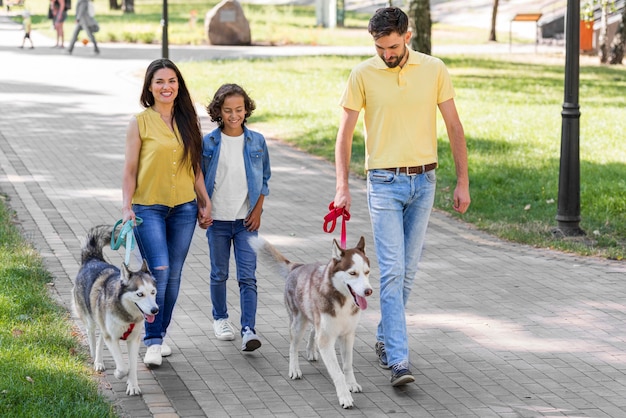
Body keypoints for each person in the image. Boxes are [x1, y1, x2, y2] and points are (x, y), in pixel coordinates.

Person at [332, 7, 470, 387]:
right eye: (379, 47)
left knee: (406, 273)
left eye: (392, 47)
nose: (386, 54)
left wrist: (463, 182)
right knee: (391, 271)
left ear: (407, 36)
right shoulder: (362, 74)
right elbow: (344, 134)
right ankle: (399, 360)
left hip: (424, 182)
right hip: (384, 183)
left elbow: (454, 126)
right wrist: (342, 186)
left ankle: (384, 338)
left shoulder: (434, 69)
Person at [122, 58, 212, 367]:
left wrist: (204, 201)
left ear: (179, 85)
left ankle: (157, 336)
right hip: (148, 207)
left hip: (185, 208)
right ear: (149, 86)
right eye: (159, 81)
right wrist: (126, 207)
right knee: (158, 269)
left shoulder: (188, 120)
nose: (166, 87)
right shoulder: (139, 122)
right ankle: (153, 341)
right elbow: (130, 169)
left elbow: (195, 166)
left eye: (171, 81)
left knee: (173, 276)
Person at [201, 83, 271, 352]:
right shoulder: (209, 142)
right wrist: (203, 209)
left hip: (246, 222)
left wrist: (257, 211)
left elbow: (264, 179)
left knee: (247, 276)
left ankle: (248, 329)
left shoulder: (257, 141)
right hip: (217, 221)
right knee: (219, 273)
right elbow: (200, 179)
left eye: (239, 110)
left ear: (246, 110)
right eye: (227, 110)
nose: (233, 115)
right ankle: (220, 318)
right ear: (218, 111)